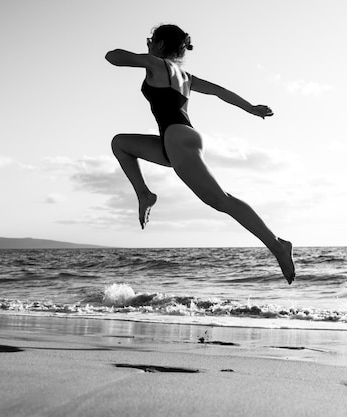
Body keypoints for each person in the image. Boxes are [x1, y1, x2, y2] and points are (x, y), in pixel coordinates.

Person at [105, 24, 295, 284]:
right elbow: (220, 91)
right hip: (177, 139)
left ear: (160, 44)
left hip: (177, 139)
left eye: (151, 40)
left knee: (221, 201)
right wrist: (250, 108)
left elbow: (111, 56)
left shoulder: (156, 64)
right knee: (120, 144)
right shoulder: (186, 76)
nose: (148, 43)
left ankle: (277, 245)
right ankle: (144, 195)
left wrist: (144, 58)